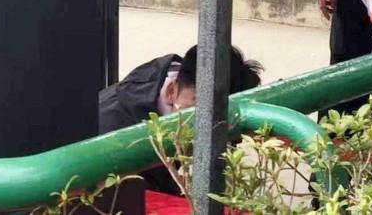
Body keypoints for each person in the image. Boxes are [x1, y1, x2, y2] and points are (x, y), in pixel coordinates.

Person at [99, 45, 262, 193]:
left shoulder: (169, 91)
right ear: (171, 91)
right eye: (200, 109)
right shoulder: (116, 135)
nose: (207, 125)